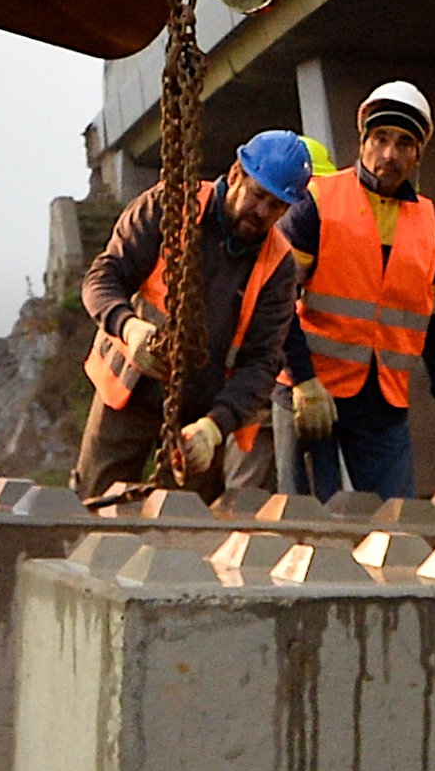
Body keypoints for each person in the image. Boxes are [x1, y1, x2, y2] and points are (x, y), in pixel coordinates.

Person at [75, 126, 317, 499]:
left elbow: (262, 363)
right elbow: (104, 278)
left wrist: (214, 428)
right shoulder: (169, 205)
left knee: (186, 528)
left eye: (277, 206)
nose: (263, 212)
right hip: (129, 389)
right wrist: (130, 328)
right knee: (94, 504)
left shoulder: (278, 266)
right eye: (257, 196)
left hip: (201, 411)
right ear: (236, 175)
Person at [294, 81, 435, 498]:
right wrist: (302, 382)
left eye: (404, 143)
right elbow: (274, 303)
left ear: (418, 155)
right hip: (314, 395)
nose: (389, 155)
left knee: (395, 527)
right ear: (363, 141)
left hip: (383, 402)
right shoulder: (319, 201)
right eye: (380, 139)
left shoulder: (427, 222)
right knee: (309, 530)